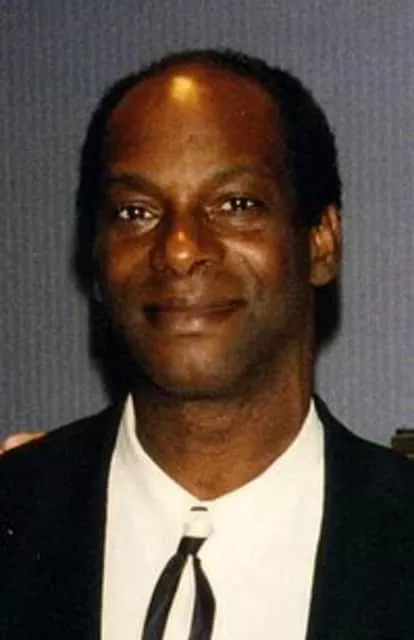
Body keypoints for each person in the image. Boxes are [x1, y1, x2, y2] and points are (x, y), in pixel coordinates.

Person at [1, 49, 414, 640]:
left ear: (321, 241)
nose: (178, 249)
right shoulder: (18, 514)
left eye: (235, 205)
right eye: (136, 211)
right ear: (95, 258)